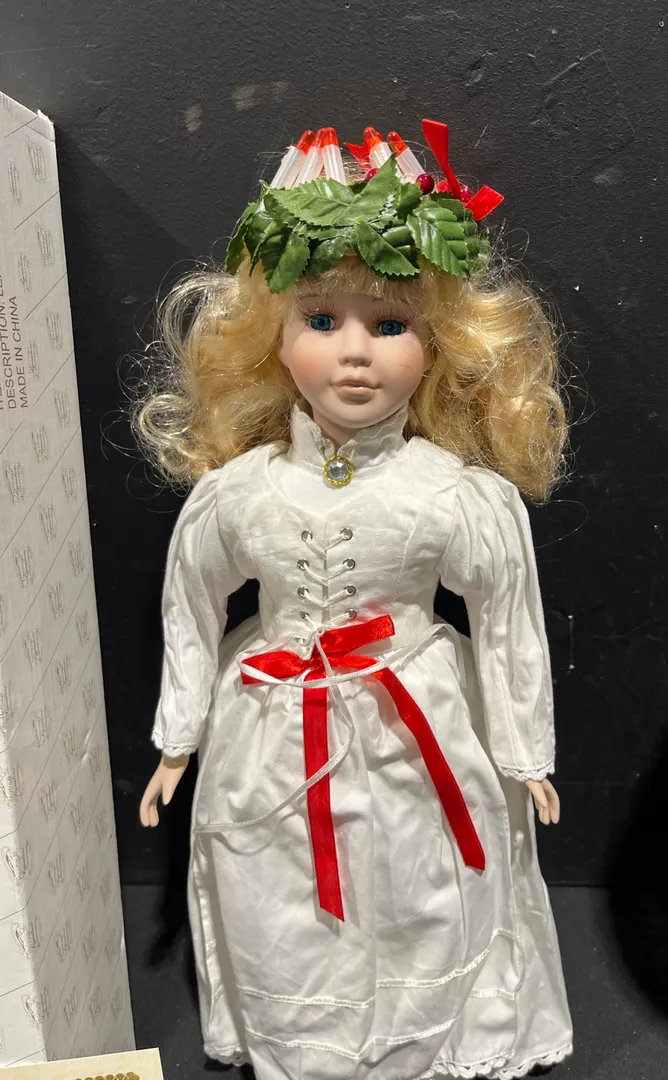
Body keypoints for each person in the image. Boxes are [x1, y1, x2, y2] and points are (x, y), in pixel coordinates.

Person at [135, 120, 573, 1080]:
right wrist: (179, 738)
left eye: (391, 325)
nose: (356, 355)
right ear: (273, 336)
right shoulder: (240, 493)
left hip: (416, 721)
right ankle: (305, 1040)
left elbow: (507, 618)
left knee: (418, 884)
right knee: (276, 886)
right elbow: (191, 605)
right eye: (322, 321)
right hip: (271, 724)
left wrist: (523, 752)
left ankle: (427, 1033)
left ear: (440, 341)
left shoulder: (452, 494)